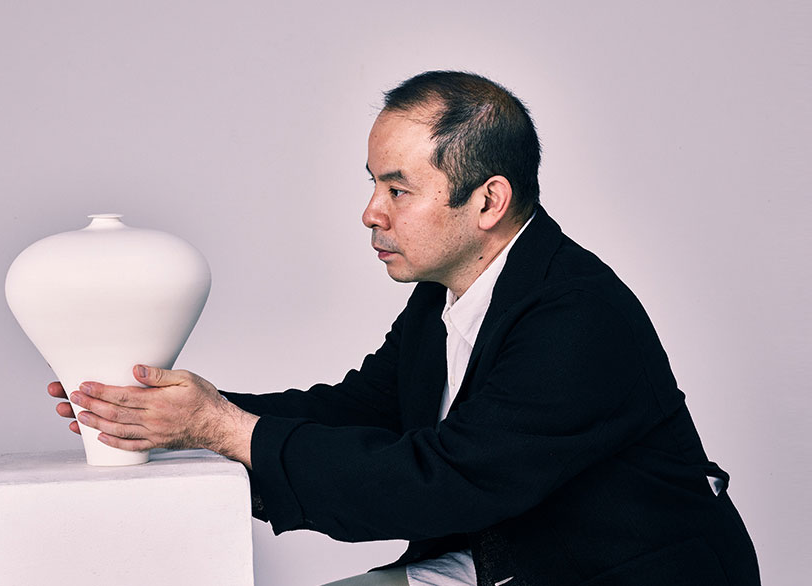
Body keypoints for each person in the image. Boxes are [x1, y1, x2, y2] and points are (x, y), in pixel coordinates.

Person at [47, 71, 760, 586]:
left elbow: (443, 480)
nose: (371, 212)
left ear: (489, 201)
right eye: (372, 183)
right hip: (499, 559)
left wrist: (223, 429)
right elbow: (363, 410)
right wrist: (177, 414)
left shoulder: (579, 316)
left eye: (397, 188)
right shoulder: (445, 293)